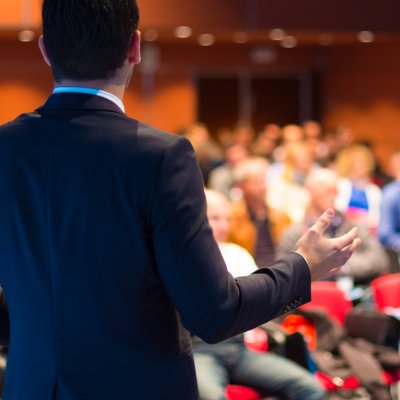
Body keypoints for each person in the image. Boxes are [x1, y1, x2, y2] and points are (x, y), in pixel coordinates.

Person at [0, 1, 360, 399]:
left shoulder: (6, 148)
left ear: (46, 49)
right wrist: (303, 265)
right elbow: (214, 312)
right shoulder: (159, 156)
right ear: (134, 48)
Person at [193, 190, 325, 400]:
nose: (224, 226)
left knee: (310, 388)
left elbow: (264, 299)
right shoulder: (185, 261)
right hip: (200, 350)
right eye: (215, 218)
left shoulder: (236, 253)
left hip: (238, 348)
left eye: (227, 219)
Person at [277, 169, 389, 286]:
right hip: (314, 298)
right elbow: (286, 274)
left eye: (336, 190)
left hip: (356, 295)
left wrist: (342, 264)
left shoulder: (353, 226)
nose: (335, 194)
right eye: (328, 190)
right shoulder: (294, 233)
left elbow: (380, 260)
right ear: (311, 191)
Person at [228, 157, 291, 266]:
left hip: (278, 271)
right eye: (256, 182)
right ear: (242, 186)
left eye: (264, 181)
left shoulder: (281, 216)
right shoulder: (231, 216)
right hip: (248, 273)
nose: (263, 186)